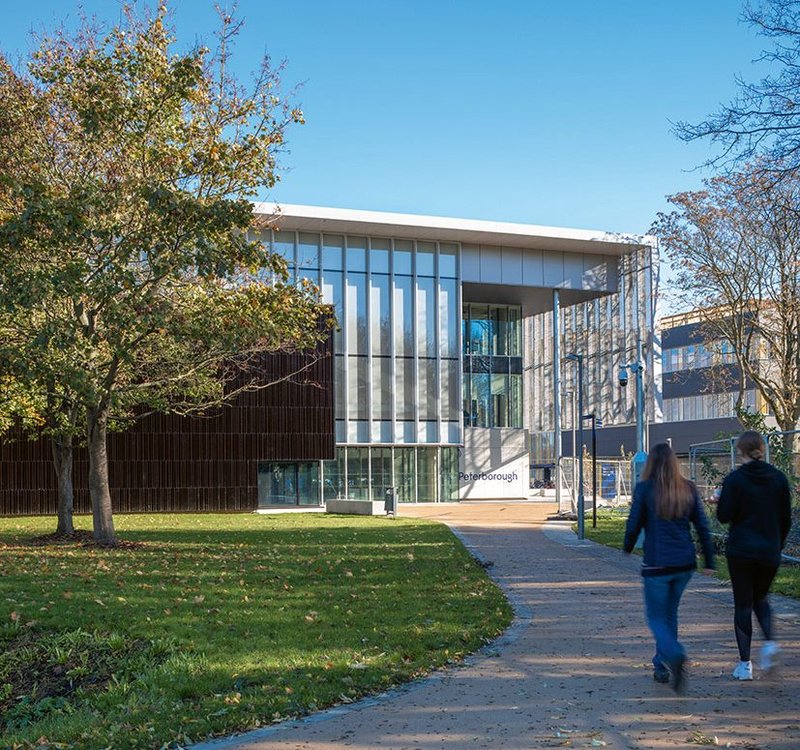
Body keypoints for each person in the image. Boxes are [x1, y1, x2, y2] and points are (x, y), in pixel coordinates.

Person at [624, 443, 715, 693]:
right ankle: (661, 664)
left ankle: (674, 654)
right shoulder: (687, 488)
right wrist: (709, 560)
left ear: (651, 463)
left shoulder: (645, 489)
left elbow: (634, 523)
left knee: (655, 617)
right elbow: (702, 527)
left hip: (657, 563)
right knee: (669, 614)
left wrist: (627, 546)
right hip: (684, 564)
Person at [716, 430, 792, 681]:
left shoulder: (735, 480)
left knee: (743, 605)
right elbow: (785, 518)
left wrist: (719, 500)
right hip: (769, 550)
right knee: (762, 598)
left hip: (741, 550)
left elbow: (724, 516)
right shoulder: (779, 479)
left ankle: (744, 664)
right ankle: (770, 643)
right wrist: (776, 545)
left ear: (740, 451)